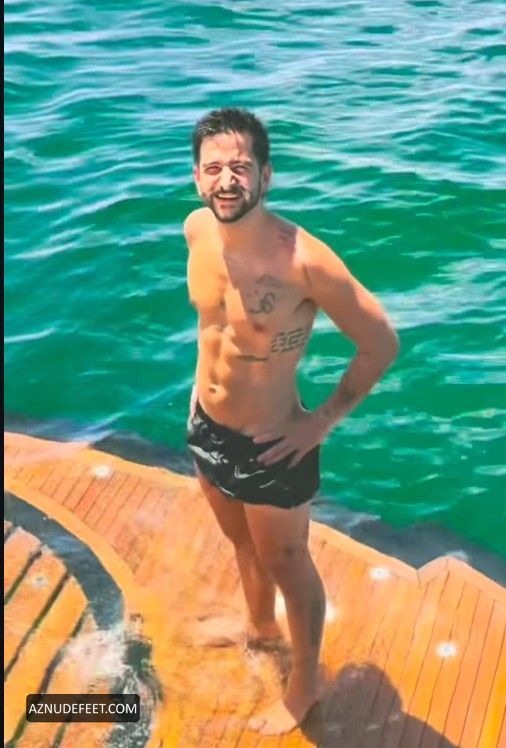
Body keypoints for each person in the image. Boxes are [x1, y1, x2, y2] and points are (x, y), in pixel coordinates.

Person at [184, 107, 399, 736]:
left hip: (274, 444)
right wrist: (199, 400)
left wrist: (319, 423)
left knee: (287, 560)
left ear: (266, 175)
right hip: (206, 427)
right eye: (214, 168)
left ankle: (305, 681)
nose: (227, 181)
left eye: (240, 167)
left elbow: (381, 343)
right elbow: (213, 332)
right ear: (197, 177)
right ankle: (259, 630)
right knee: (241, 544)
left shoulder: (304, 261)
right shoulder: (196, 230)